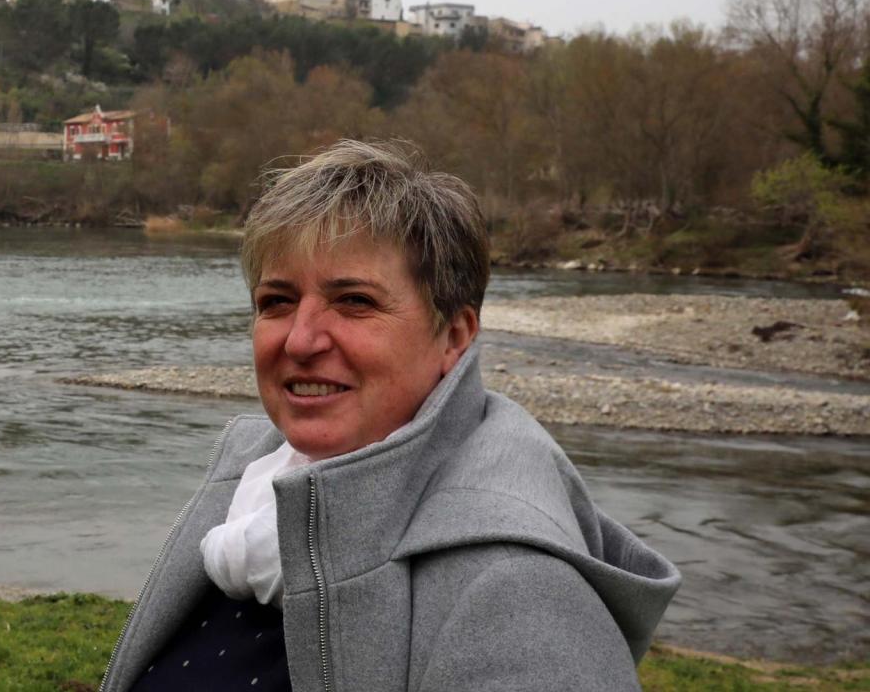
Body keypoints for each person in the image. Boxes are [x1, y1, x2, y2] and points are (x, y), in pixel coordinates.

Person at [101, 140, 679, 692]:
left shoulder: (519, 592)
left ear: (454, 335)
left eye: (354, 301)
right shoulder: (245, 500)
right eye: (277, 301)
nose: (300, 340)